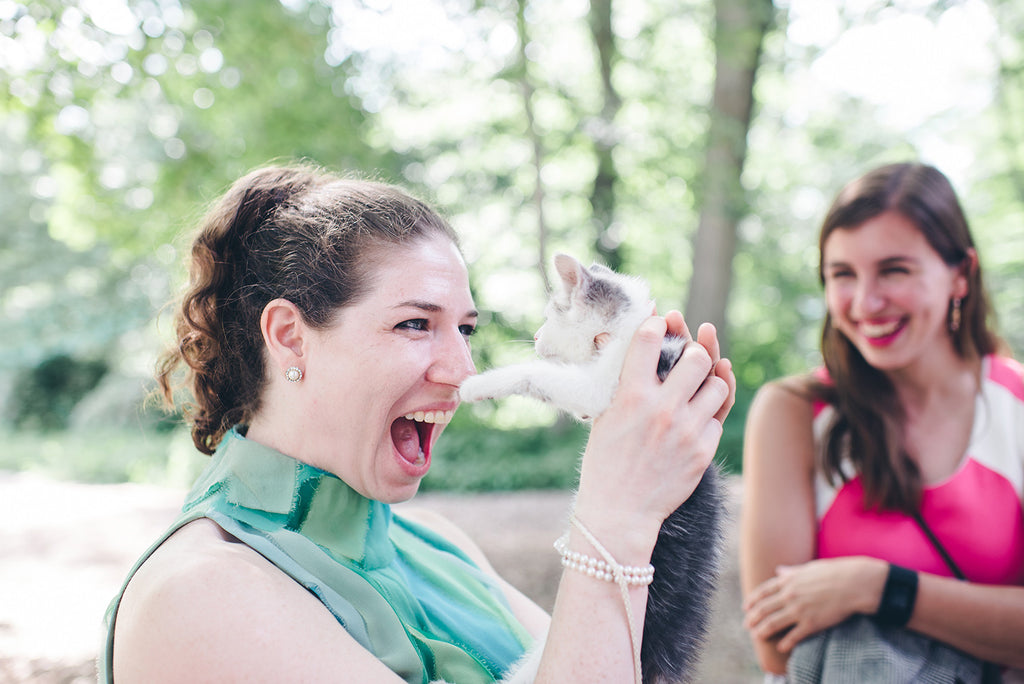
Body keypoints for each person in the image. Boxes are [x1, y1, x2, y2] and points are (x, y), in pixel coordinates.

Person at [100, 163, 737, 683]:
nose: (463, 371)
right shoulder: (201, 595)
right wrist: (616, 515)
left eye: (465, 329)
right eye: (415, 324)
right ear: (290, 337)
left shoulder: (437, 545)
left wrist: (668, 508)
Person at [739, 162, 1024, 682]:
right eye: (842, 274)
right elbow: (776, 645)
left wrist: (877, 588)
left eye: (894, 270)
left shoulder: (1017, 407)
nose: (866, 302)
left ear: (961, 274)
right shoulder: (792, 413)